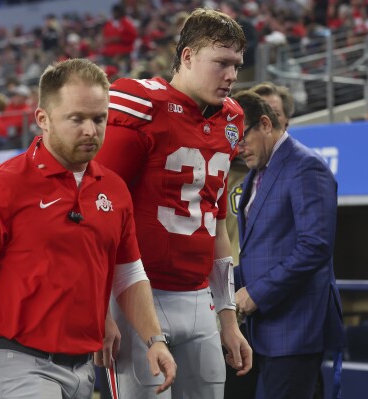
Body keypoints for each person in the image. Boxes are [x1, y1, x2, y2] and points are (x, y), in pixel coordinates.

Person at [0, 59, 176, 399]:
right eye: (76, 118)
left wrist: (154, 340)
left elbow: (129, 274)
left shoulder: (114, 188)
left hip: (84, 369)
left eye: (99, 118)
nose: (90, 130)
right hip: (17, 364)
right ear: (43, 119)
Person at [95, 8, 252, 399]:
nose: (232, 75)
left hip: (200, 300)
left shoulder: (231, 119)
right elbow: (100, 212)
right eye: (221, 63)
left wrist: (228, 316)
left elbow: (214, 221)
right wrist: (98, 309)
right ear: (186, 57)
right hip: (138, 296)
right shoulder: (142, 104)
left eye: (236, 64)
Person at [233, 90, 345, 399]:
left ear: (265, 124)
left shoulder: (305, 166)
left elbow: (315, 247)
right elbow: (261, 248)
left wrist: (255, 293)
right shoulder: (258, 172)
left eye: (242, 138)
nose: (238, 148)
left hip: (296, 327)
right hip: (264, 327)